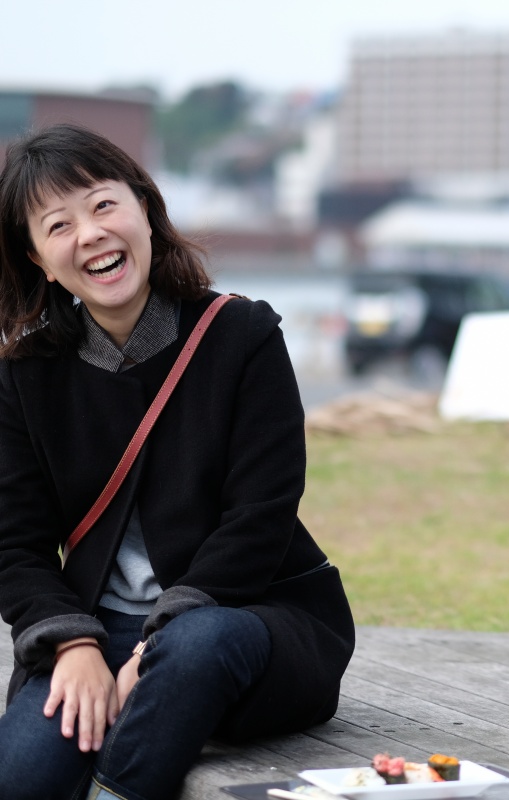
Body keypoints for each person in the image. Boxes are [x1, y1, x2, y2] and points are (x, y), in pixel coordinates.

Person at [0, 124, 355, 800]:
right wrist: (74, 647)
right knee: (21, 775)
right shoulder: (25, 376)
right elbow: (15, 545)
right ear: (40, 259)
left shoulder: (242, 336)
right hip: (95, 632)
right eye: (59, 225)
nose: (92, 234)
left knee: (194, 648)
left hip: (248, 618)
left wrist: (157, 647)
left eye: (104, 205)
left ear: (145, 210)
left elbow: (261, 517)